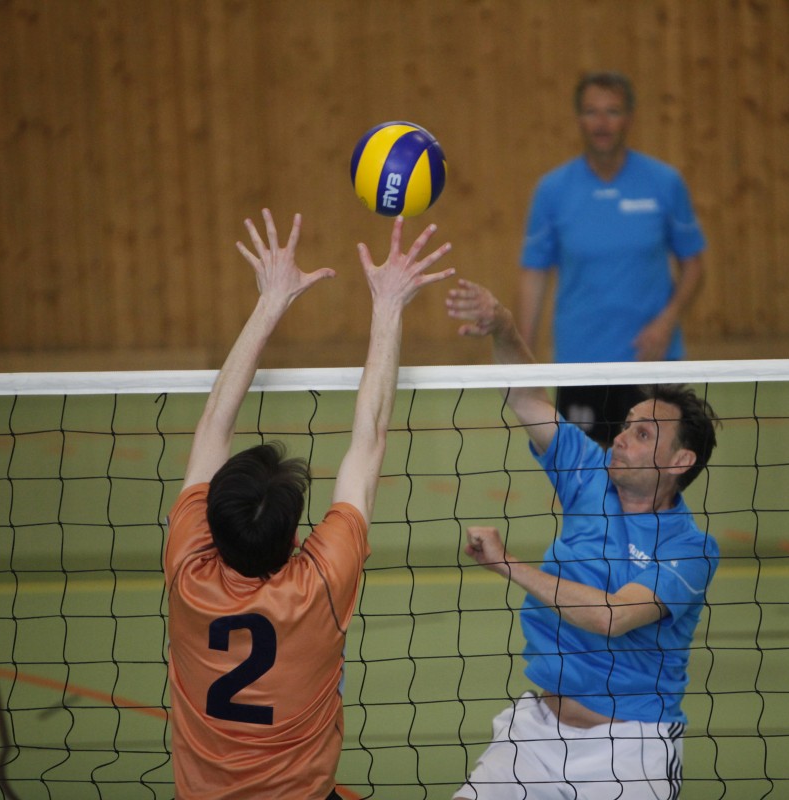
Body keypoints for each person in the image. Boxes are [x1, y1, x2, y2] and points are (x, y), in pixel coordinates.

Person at [164, 209, 452, 799]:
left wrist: (270, 301)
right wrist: (388, 304)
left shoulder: (187, 570)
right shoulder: (317, 583)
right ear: (295, 536)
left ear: (209, 523)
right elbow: (370, 437)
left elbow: (212, 426)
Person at [446, 279, 720, 799]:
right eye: (627, 425)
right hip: (535, 736)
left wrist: (508, 565)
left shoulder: (691, 550)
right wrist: (503, 326)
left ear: (679, 461)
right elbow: (527, 397)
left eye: (643, 434)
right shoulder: (588, 475)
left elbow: (611, 617)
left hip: (631, 747)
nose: (621, 437)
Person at [517, 70, 707, 444]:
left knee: (656, 472)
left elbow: (694, 265)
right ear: (579, 119)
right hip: (580, 365)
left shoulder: (664, 183)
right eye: (591, 112)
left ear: (629, 119)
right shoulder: (553, 190)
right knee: (580, 473)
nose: (601, 122)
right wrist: (521, 359)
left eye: (612, 111)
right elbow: (533, 274)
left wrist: (666, 322)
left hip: (652, 363)